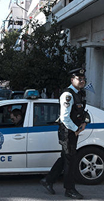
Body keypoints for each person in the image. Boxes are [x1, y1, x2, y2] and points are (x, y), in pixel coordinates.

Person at [40, 68, 87, 199]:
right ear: (72, 80)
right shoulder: (68, 95)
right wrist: (76, 129)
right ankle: (69, 189)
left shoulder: (79, 93)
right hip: (68, 132)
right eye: (79, 79)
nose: (82, 80)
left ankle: (48, 180)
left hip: (72, 131)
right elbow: (64, 117)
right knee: (70, 161)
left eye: (83, 79)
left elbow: (80, 112)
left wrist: (84, 122)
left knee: (65, 158)